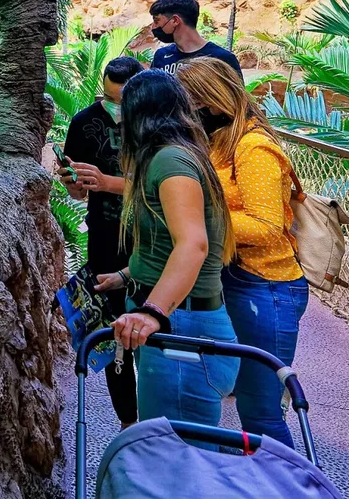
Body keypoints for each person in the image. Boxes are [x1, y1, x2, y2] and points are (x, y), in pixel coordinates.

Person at [95, 69, 239, 427]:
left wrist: (153, 312)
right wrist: (127, 276)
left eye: (120, 106)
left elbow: (192, 244)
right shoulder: (166, 156)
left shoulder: (171, 161)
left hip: (180, 325)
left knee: (179, 455)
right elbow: (166, 241)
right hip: (173, 320)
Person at [178, 58, 310, 447]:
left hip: (266, 287)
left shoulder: (253, 148)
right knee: (246, 402)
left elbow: (268, 227)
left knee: (261, 409)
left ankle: (290, 484)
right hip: (237, 281)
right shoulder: (220, 142)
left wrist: (195, 221)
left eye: (190, 103)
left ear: (211, 102)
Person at [60, 55, 144, 427]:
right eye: (107, 97)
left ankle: (160, 419)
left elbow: (164, 189)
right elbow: (77, 192)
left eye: (121, 99)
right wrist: (73, 183)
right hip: (106, 241)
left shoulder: (157, 124)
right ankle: (127, 421)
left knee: (155, 328)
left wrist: (109, 183)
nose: (114, 107)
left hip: (150, 243)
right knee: (115, 335)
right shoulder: (84, 122)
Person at [147, 0, 242, 78]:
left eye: (156, 20)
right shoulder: (161, 56)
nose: (154, 27)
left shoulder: (223, 58)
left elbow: (238, 96)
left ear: (175, 20)